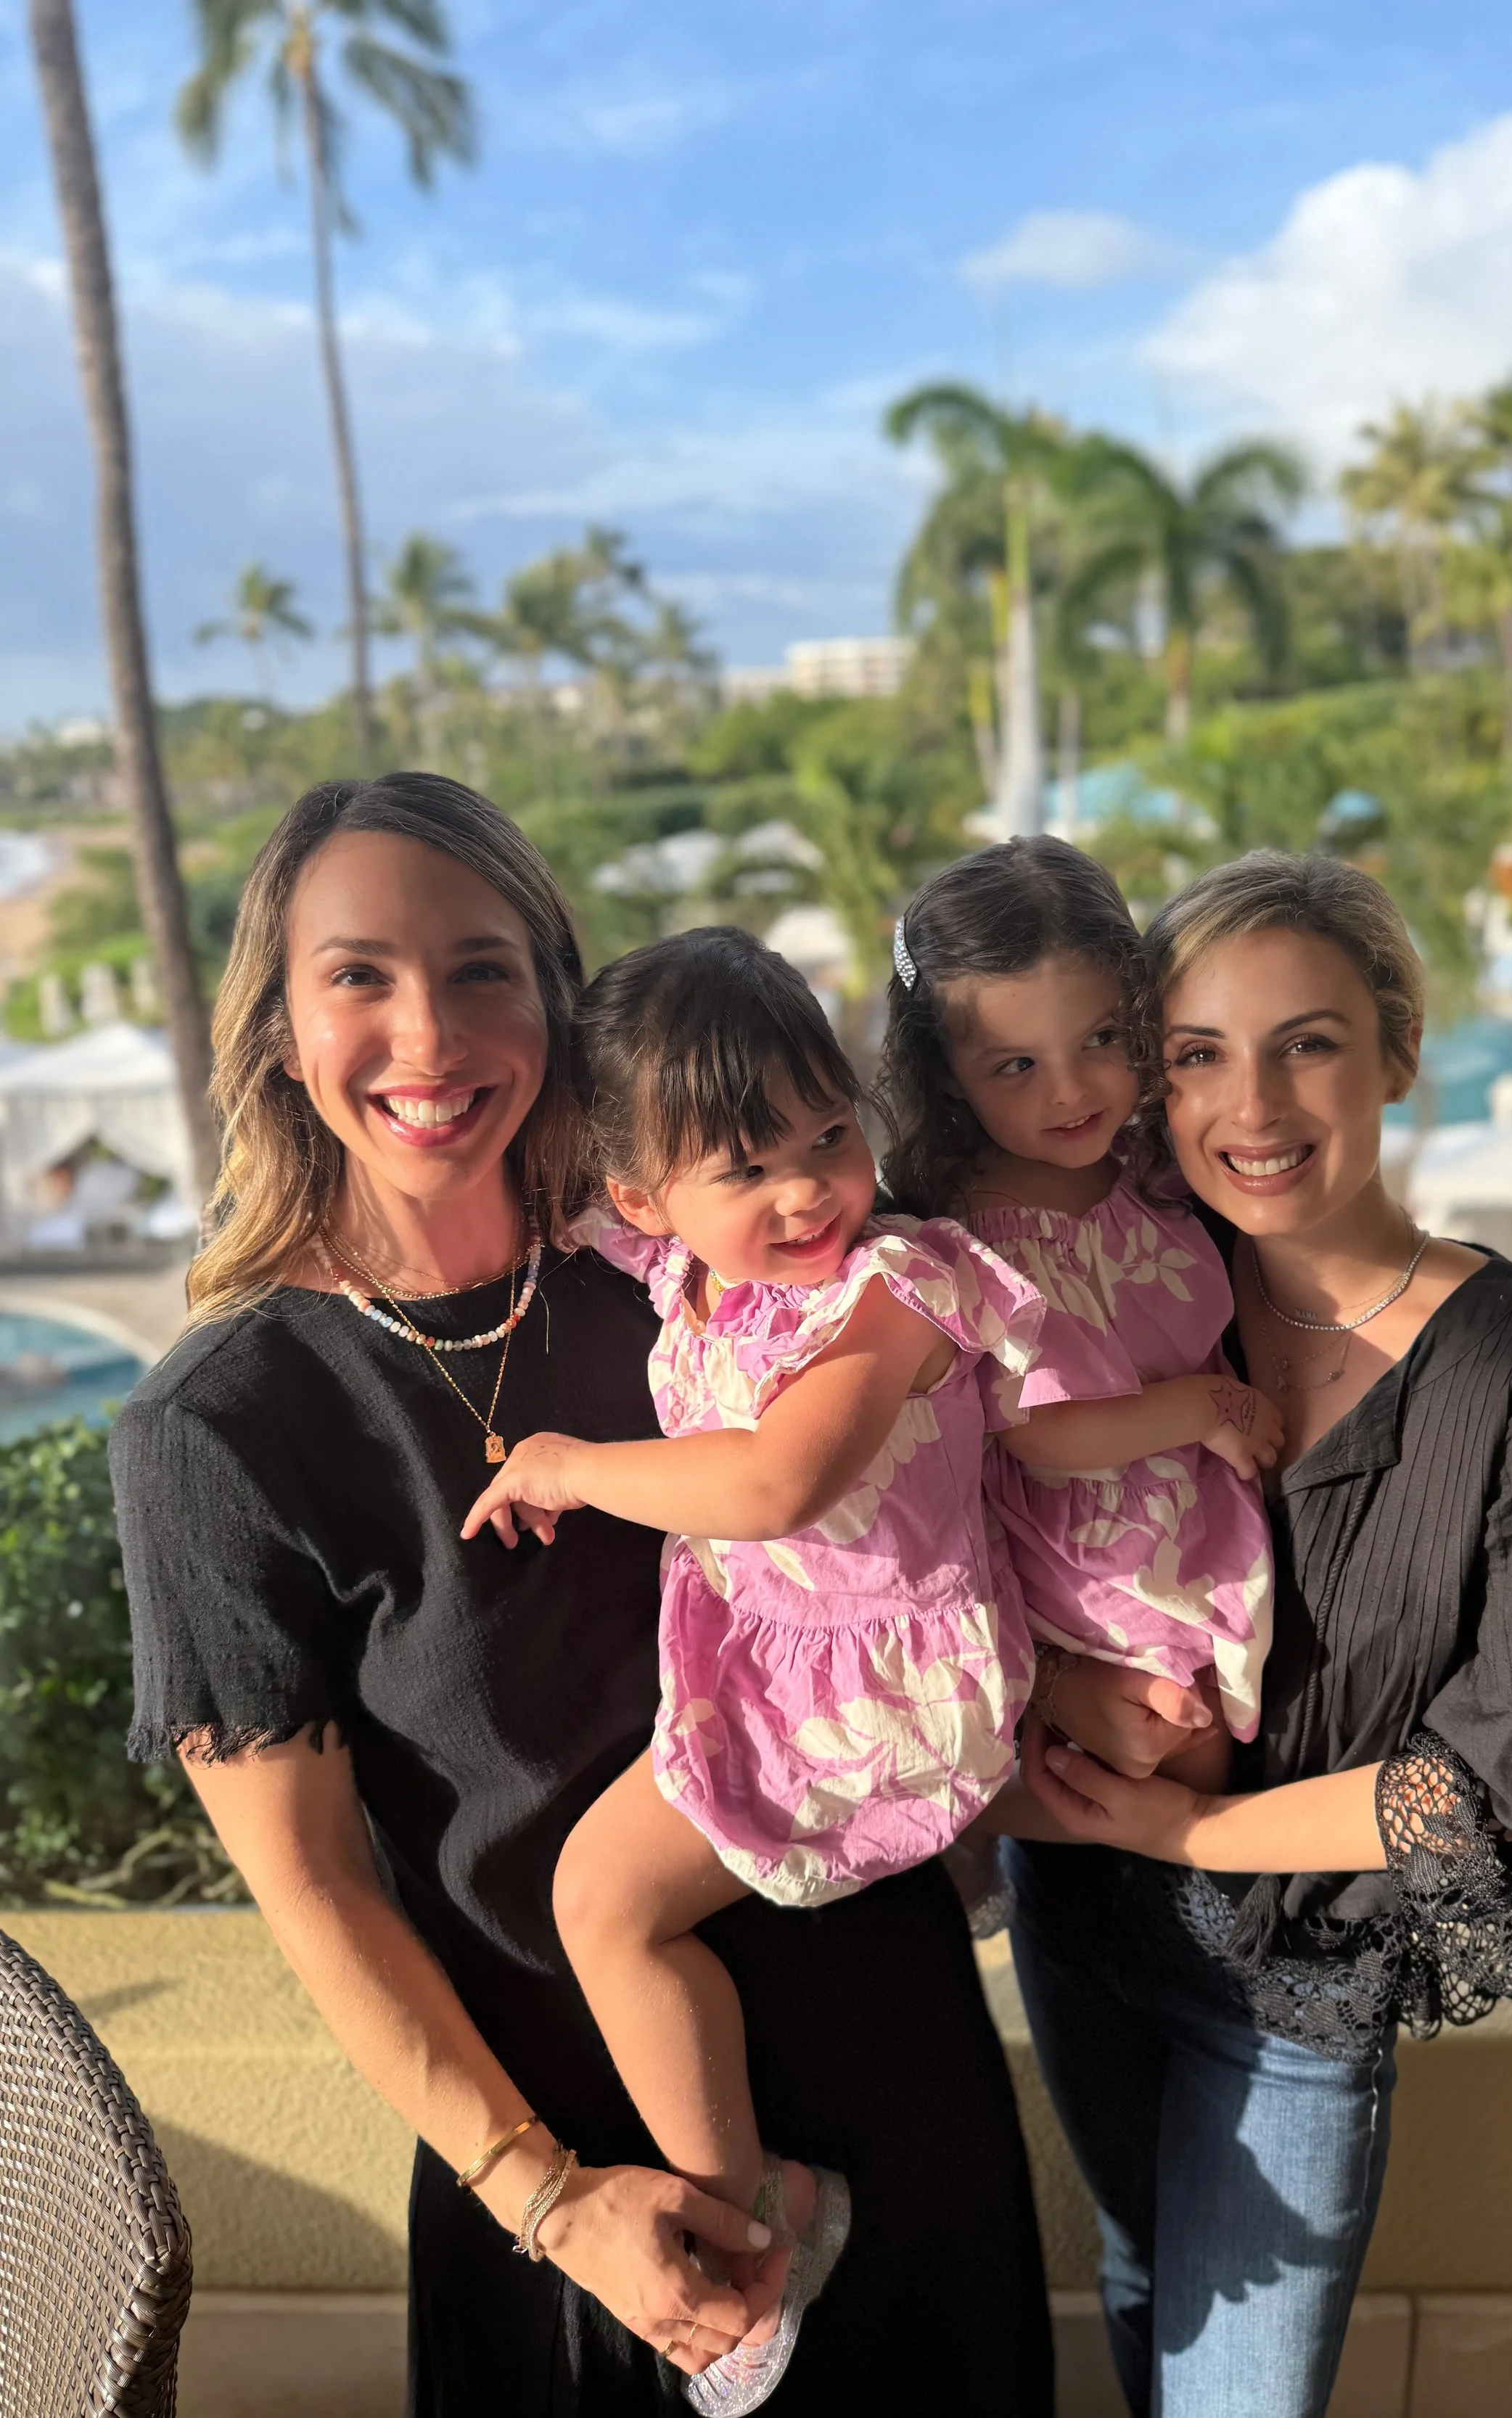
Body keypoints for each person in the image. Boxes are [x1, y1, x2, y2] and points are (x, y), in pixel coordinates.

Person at [111, 773, 1053, 2417]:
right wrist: (546, 2197)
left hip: (897, 2080)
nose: (430, 1032)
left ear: (556, 998)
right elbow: (320, 1894)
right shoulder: (222, 1432)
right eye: (360, 976)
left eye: (482, 967)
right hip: (599, 2197)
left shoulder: (707, 1266)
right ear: (274, 1026)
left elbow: (969, 1493)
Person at [1009, 849, 1512, 2418]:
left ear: (1394, 1056)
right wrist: (1069, 1695)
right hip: (1082, 1921)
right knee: (1140, 2265)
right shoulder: (1135, 1301)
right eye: (1196, 1054)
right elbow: (940, 1545)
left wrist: (1190, 1817)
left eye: (1305, 1041)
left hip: (1296, 1983)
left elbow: (1487, 1791)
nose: (1255, 1105)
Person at [459, 924, 1048, 2411]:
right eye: (747, 1165)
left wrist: (576, 1465)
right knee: (610, 1907)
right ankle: (750, 2206)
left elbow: (785, 1481)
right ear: (649, 1197)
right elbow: (534, 1194)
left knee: (604, 1902)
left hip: (878, 1686)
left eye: (827, 1132)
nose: (805, 1188)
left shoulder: (897, 1285)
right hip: (777, 1664)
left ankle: (751, 2220)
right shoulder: (681, 1264)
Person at [876, 835, 1279, 1775]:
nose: (1070, 1091)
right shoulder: (976, 1231)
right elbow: (1036, 1432)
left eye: (1102, 1040)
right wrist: (1199, 1408)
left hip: (1189, 1506)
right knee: (1183, 1740)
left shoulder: (1147, 1168)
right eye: (1016, 1066)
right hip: (1089, 1545)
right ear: (945, 1074)